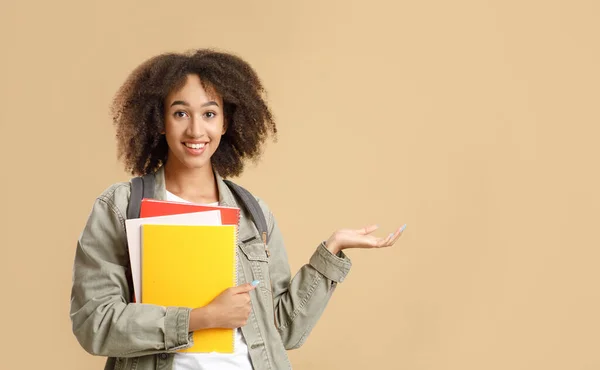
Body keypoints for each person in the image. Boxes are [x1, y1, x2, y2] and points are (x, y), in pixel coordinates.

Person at [69, 48, 406, 370]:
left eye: (209, 114)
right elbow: (94, 323)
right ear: (160, 121)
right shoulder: (121, 208)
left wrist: (331, 252)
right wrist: (201, 319)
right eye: (180, 113)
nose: (196, 130)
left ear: (226, 123)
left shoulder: (252, 214)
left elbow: (282, 329)